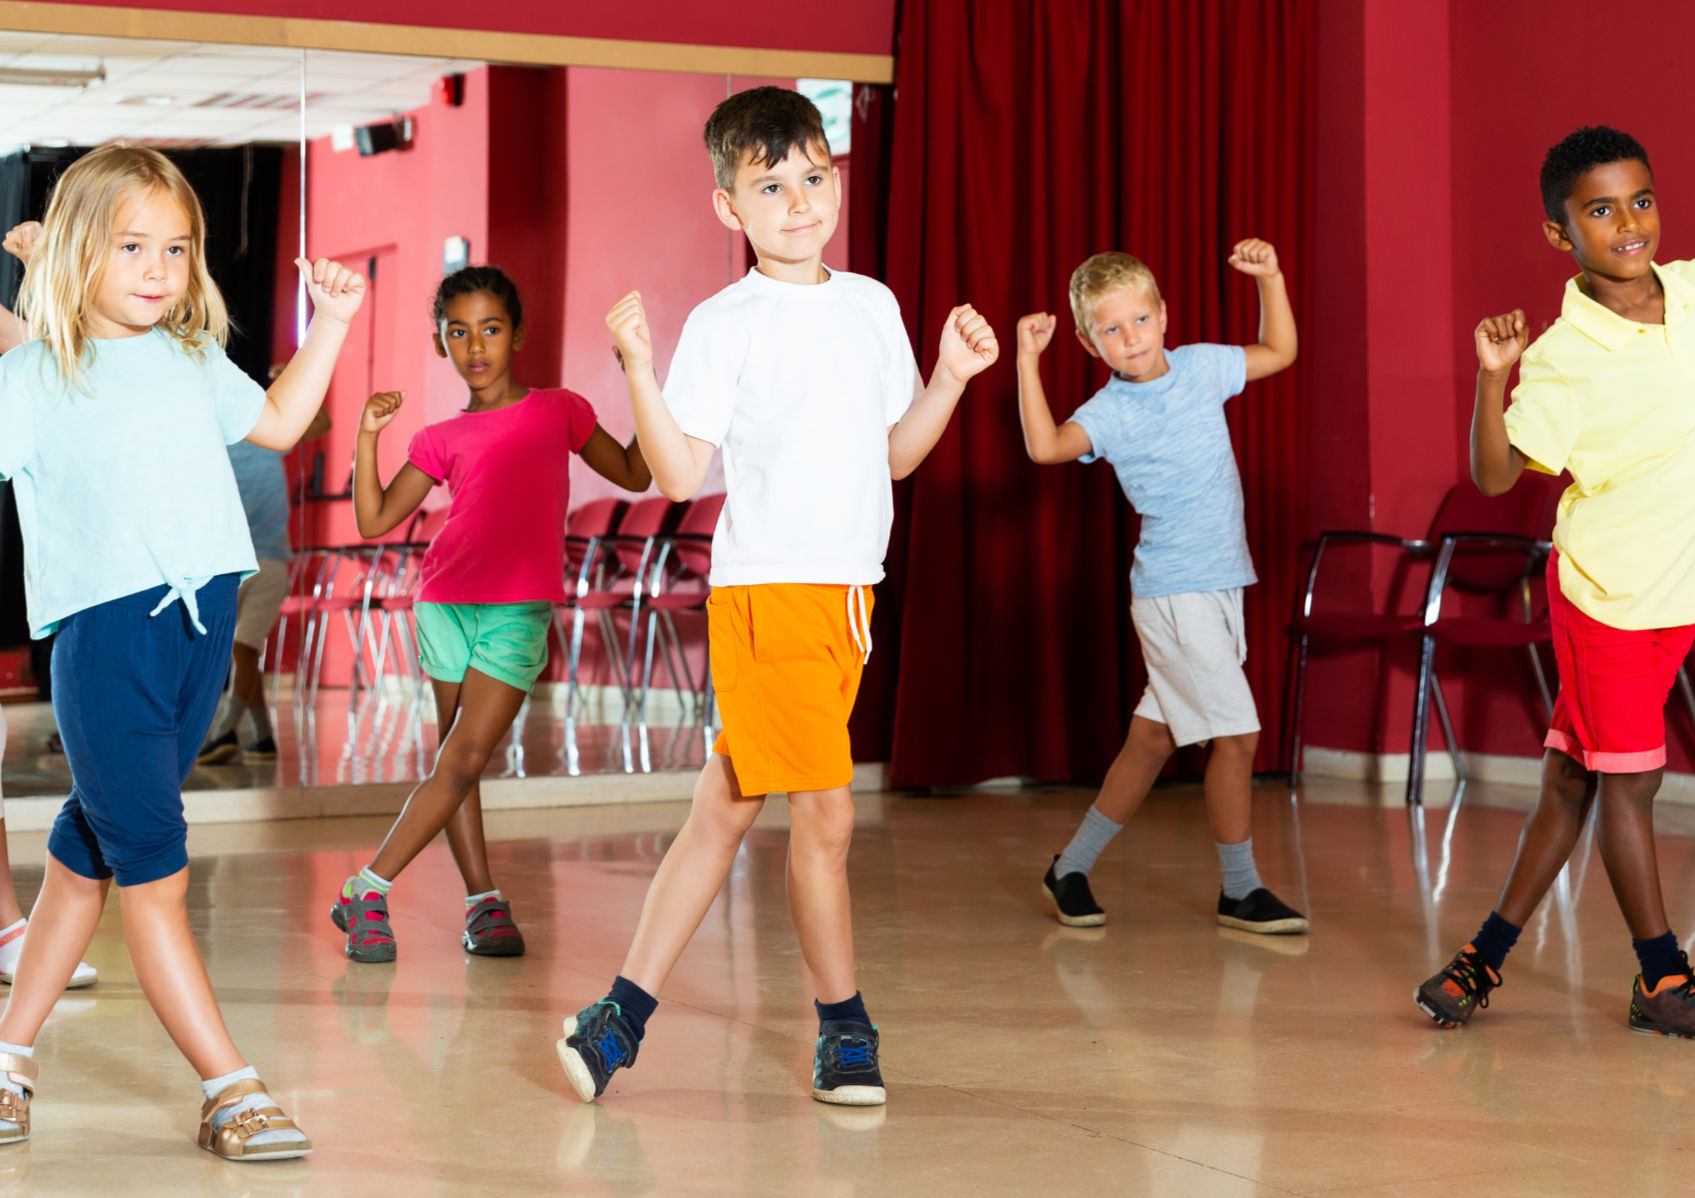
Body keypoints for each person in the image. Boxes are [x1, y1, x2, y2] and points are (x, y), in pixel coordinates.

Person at [558, 85, 999, 1108]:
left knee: (725, 805)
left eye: (815, 176)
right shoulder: (726, 323)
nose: (801, 202)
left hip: (848, 594)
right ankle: (845, 1026)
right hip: (770, 594)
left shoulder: (874, 304)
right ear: (730, 208)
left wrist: (949, 379)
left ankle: (618, 1017)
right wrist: (637, 368)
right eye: (772, 185)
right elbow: (676, 475)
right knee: (828, 817)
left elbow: (891, 455)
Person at [0, 144, 364, 1158]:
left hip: (204, 631)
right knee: (154, 875)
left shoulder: (193, 356)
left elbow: (284, 421)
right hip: (108, 645)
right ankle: (230, 1086)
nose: (158, 268)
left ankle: (5, 1062)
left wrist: (331, 324)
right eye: (131, 247)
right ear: (76, 250)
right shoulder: (33, 375)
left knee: (88, 859)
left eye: (175, 247)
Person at [1417, 126, 1695, 1037]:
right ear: (1559, 233)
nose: (1628, 223)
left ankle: (1478, 961)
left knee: (1573, 782)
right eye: (1601, 209)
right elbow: (1495, 478)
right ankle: (1661, 980)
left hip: (1682, 594)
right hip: (1608, 604)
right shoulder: (1559, 357)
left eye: (1640, 200)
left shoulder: (1692, 295)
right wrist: (1489, 382)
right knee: (1629, 785)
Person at [331, 264, 650, 964]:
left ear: (518, 335)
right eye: (458, 331)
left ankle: (366, 886)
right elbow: (375, 515)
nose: (475, 345)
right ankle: (483, 903)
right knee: (458, 762)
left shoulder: (559, 409)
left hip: (516, 611)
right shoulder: (438, 438)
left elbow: (635, 472)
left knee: (466, 756)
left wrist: (639, 377)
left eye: (491, 329)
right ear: (441, 342)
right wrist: (365, 438)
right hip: (444, 601)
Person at [1016, 244, 1304, 934]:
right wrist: (1027, 362)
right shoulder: (1108, 411)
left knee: (1150, 741)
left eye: (1139, 320)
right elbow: (1044, 447)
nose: (1130, 338)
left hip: (1219, 585)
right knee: (1237, 738)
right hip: (1174, 594)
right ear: (1088, 343)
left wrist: (1270, 278)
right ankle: (1239, 889)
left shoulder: (1203, 366)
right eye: (1111, 330)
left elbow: (1278, 350)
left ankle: (1069, 868)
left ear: (1163, 315)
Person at [197, 393, 332, 765]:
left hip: (266, 562)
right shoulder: (208, 446)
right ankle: (262, 737)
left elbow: (320, 422)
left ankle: (225, 730)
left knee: (242, 648)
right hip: (228, 563)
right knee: (241, 651)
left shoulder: (267, 438)